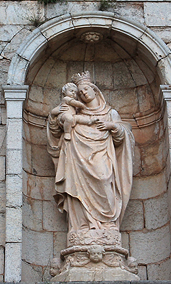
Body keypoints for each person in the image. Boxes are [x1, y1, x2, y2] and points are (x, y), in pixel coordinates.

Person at [47, 72, 135, 238]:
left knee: (104, 179)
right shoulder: (75, 114)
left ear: (95, 90)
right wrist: (53, 116)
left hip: (103, 156)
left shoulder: (110, 114)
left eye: (86, 89)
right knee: (76, 190)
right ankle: (81, 226)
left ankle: (108, 224)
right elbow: (55, 132)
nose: (83, 93)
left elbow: (123, 138)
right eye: (80, 92)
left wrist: (111, 126)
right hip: (76, 159)